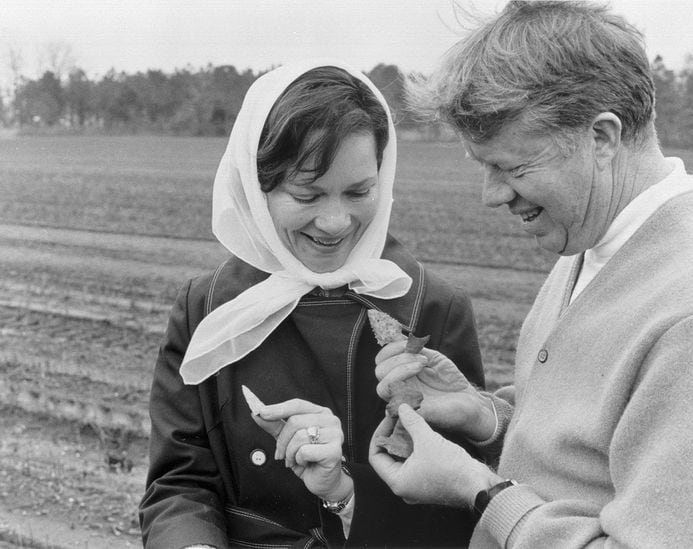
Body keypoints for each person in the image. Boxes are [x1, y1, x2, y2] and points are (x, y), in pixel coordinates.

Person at [368, 2, 693, 548]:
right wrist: (484, 415)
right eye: (486, 166)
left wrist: (477, 489)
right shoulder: (596, 242)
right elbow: (589, 453)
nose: (492, 195)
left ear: (601, 137)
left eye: (514, 167)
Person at [139, 59, 485, 548]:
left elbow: (458, 509)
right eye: (308, 194)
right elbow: (180, 482)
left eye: (359, 191)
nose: (336, 222)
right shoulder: (209, 306)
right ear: (258, 189)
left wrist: (347, 496)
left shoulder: (430, 307)